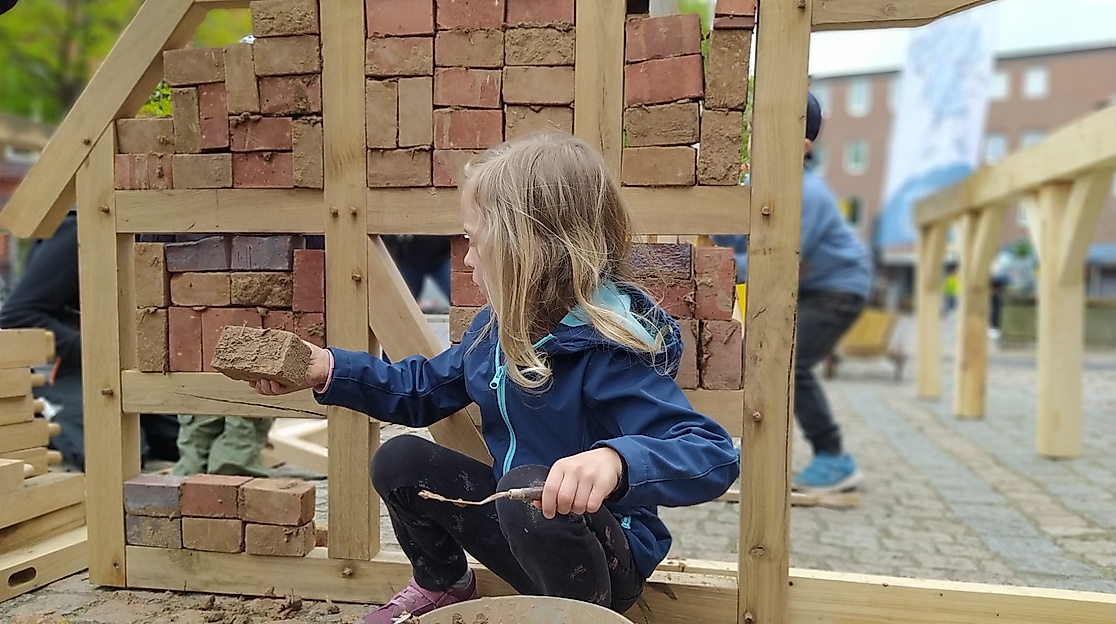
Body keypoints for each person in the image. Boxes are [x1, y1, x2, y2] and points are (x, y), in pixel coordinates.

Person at [250, 133, 739, 622]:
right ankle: (442, 584)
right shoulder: (495, 329)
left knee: (530, 490)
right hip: (518, 525)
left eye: (474, 241)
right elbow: (420, 389)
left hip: (601, 559)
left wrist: (616, 460)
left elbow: (711, 453)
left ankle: (574, 618)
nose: (466, 258)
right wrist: (327, 369)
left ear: (527, 250)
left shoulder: (609, 351)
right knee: (399, 460)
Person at [711, 92, 872, 494]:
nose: (758, 140)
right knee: (760, 357)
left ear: (804, 146)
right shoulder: (763, 183)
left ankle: (834, 457)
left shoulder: (807, 194)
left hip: (837, 289)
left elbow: (779, 259)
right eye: (755, 131)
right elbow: (731, 234)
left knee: (789, 363)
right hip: (809, 288)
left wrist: (714, 268)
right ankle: (755, 450)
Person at [0, 210, 180, 470]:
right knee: (114, 456)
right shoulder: (78, 232)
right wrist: (102, 351)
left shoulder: (153, 233)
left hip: (120, 368)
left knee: (175, 443)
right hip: (60, 369)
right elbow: (16, 316)